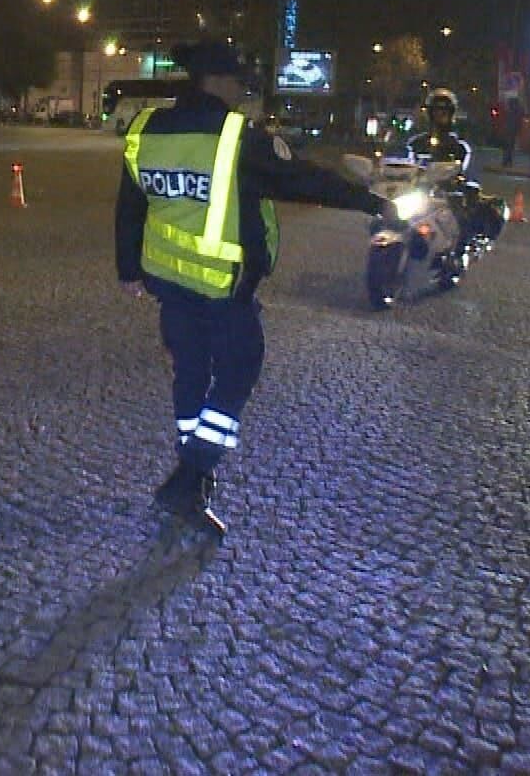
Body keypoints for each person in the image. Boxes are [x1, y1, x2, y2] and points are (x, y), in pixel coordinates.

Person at [117, 41, 390, 541]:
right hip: (221, 285)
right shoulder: (236, 137)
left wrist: (128, 269)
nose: (244, 90)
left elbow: (131, 203)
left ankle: (190, 479)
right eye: (239, 81)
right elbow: (305, 180)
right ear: (215, 81)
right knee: (241, 368)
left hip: (169, 280)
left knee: (191, 373)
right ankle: (192, 472)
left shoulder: (145, 130)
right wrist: (371, 201)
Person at [406, 88, 505, 245]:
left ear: (452, 113)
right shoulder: (416, 142)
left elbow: (469, 172)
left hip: (447, 195)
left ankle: (457, 250)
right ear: (430, 113)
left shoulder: (460, 146)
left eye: (444, 111)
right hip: (420, 191)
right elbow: (404, 163)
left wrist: (469, 187)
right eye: (437, 110)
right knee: (391, 216)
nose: (441, 115)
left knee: (462, 218)